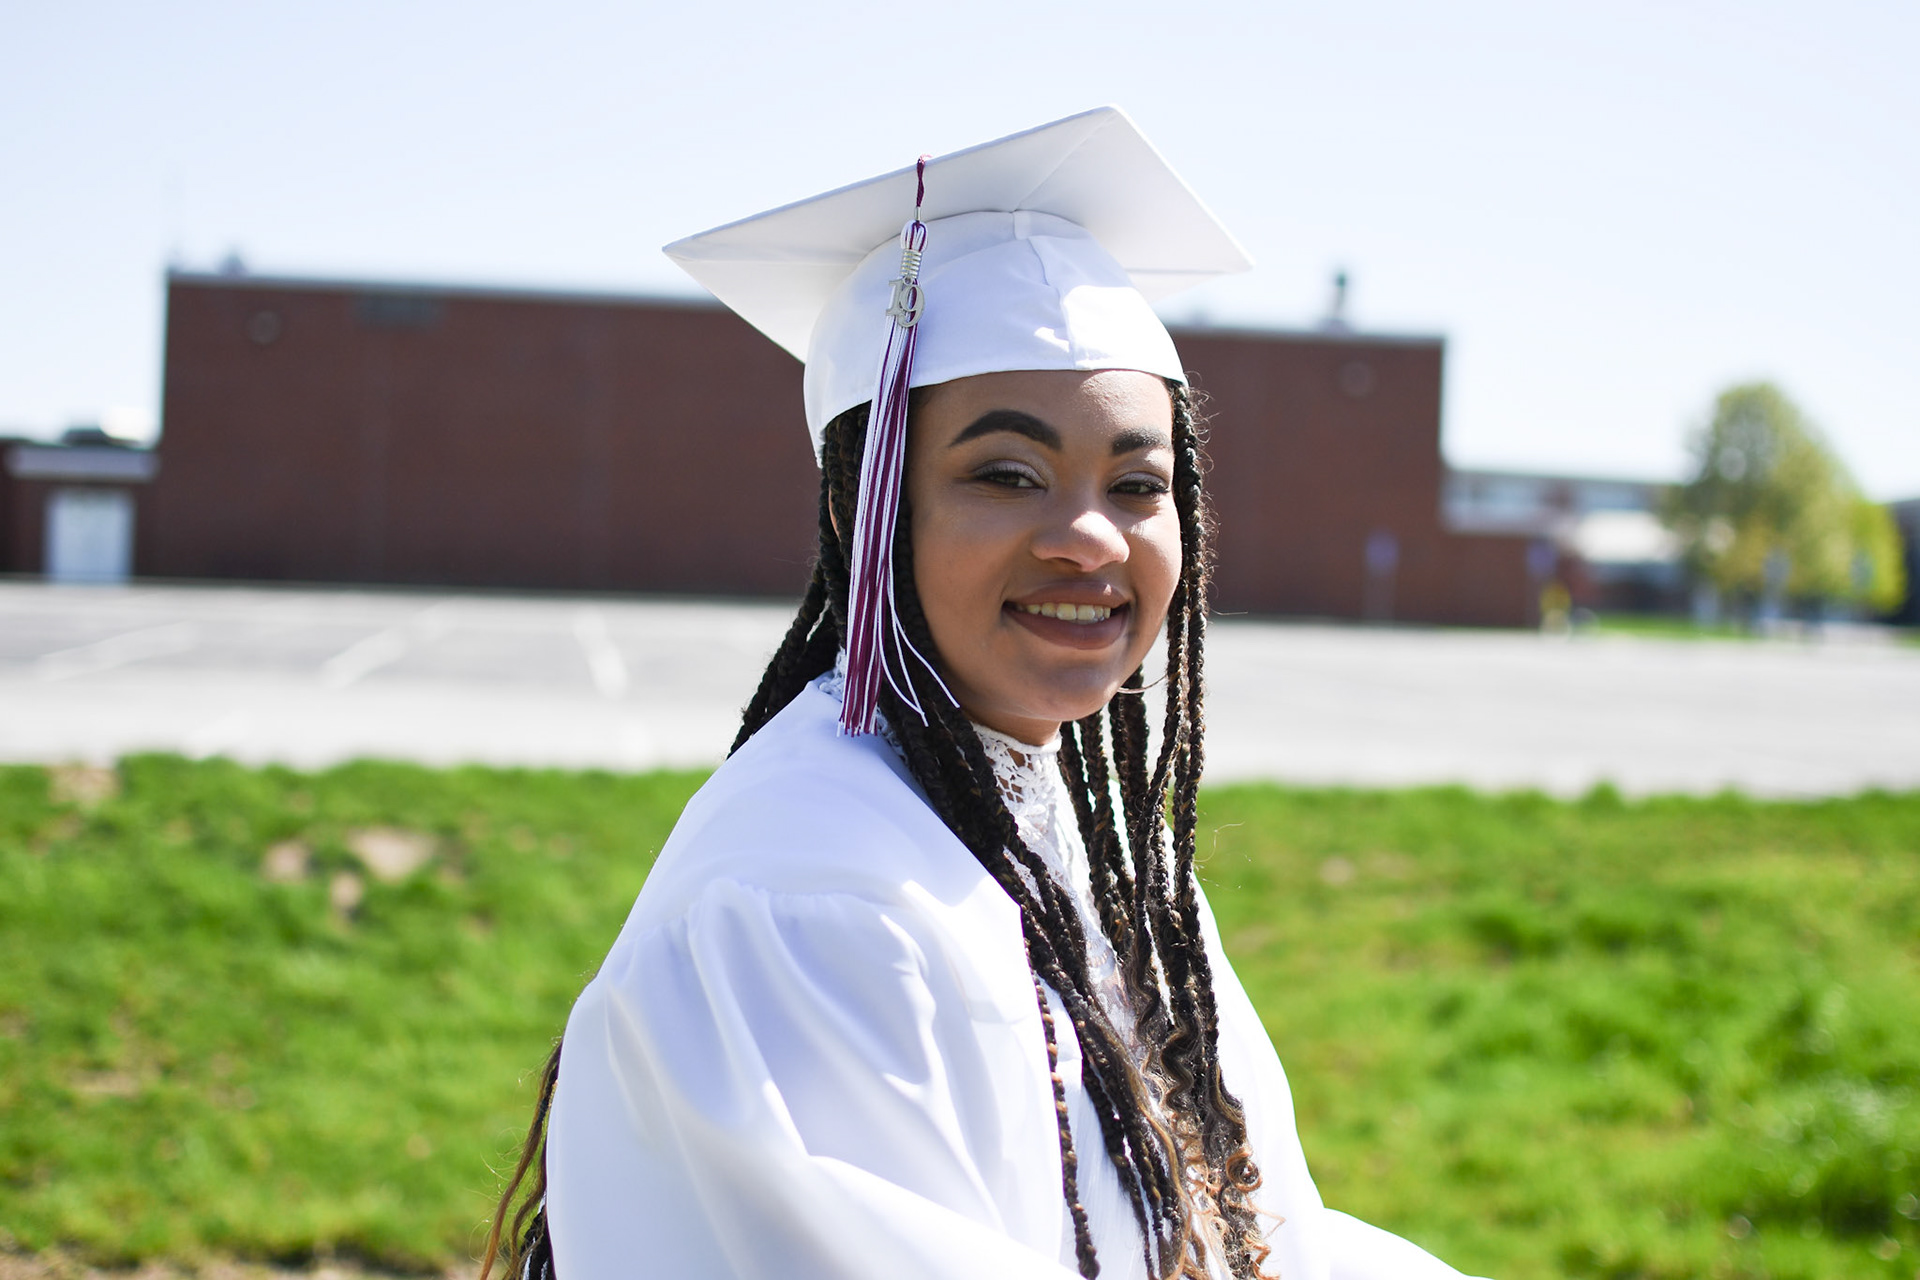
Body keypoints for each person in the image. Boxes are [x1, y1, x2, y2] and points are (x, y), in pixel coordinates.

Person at [482, 107, 1488, 1280]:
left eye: (1137, 483)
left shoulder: (1094, 860)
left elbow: (1263, 1237)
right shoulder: (810, 898)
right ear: (868, 509)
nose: (1088, 537)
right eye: (1007, 475)